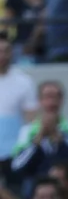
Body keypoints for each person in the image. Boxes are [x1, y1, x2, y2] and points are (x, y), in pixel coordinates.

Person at [11, 81, 68, 191]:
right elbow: (17, 166)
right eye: (47, 97)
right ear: (39, 101)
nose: (52, 102)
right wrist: (36, 142)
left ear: (62, 100)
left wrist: (61, 142)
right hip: (36, 192)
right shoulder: (27, 131)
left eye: (56, 97)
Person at [0, 31, 37, 184]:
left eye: (6, 51)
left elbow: (30, 120)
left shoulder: (24, 82)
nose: (3, 55)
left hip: (13, 152)